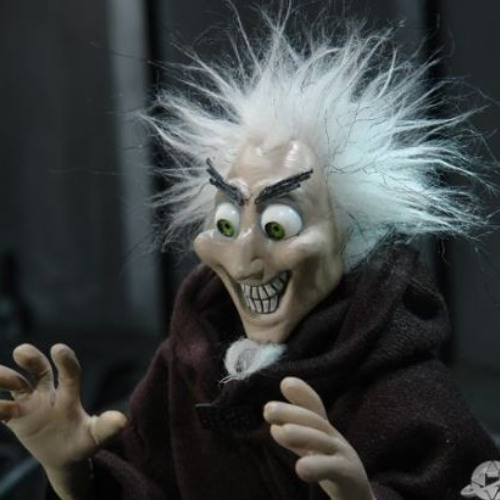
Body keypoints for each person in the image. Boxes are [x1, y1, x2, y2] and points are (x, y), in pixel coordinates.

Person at [0, 12, 498, 500]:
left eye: (278, 226)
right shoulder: (189, 360)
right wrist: (73, 474)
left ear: (350, 237)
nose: (244, 258)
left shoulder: (407, 393)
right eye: (226, 223)